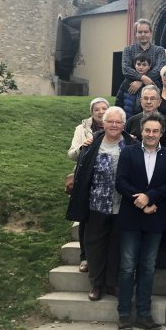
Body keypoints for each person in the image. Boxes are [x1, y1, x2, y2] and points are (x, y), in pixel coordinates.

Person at [115, 113, 166, 330]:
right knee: (126, 267)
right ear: (141, 131)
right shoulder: (128, 152)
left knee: (148, 267)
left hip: (155, 218)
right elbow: (120, 182)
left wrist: (150, 198)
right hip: (131, 218)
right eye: (147, 130)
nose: (151, 134)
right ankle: (124, 314)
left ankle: (143, 314)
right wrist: (141, 201)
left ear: (161, 133)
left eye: (155, 131)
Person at [66, 106, 136, 302]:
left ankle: (111, 283)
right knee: (95, 245)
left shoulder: (131, 143)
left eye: (118, 122)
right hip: (96, 204)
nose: (114, 125)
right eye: (110, 121)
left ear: (123, 124)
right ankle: (96, 284)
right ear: (103, 123)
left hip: (122, 205)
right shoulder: (92, 142)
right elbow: (82, 171)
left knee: (116, 245)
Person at [67, 97, 110, 273]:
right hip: (86, 178)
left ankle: (104, 256)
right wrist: (82, 147)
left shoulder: (115, 126)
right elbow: (71, 154)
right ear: (91, 112)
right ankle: (84, 257)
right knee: (84, 219)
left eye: (104, 108)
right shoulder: (82, 129)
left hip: (107, 180)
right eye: (97, 109)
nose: (100, 112)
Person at [121, 19, 166, 92]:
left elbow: (159, 69)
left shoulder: (159, 50)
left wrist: (141, 81)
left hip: (154, 89)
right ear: (136, 34)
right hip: (131, 89)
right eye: (140, 32)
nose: (143, 34)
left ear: (151, 33)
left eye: (146, 32)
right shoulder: (128, 50)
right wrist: (142, 78)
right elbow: (126, 69)